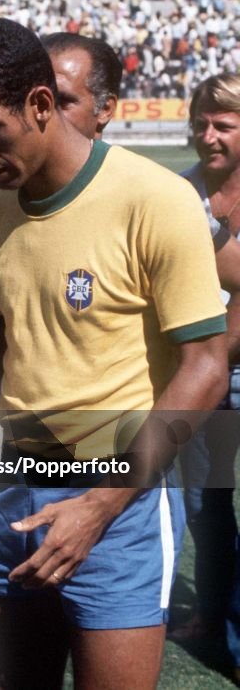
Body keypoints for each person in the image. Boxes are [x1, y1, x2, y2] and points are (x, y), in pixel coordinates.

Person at [0, 18, 226, 689]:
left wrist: (99, 504)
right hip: (11, 485)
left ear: (41, 105)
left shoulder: (156, 199)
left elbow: (205, 364)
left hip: (119, 503)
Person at [0, 31, 125, 690]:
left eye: (66, 97)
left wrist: (109, 493)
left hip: (117, 484)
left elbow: (196, 365)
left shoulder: (148, 197)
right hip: (18, 469)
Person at [171, 73, 240, 673]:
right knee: (207, 503)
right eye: (200, 123)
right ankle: (213, 617)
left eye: (223, 124)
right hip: (209, 374)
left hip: (221, 366)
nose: (207, 136)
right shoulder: (179, 193)